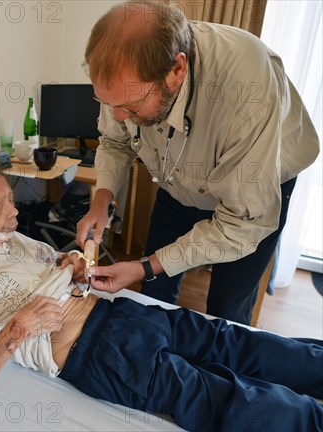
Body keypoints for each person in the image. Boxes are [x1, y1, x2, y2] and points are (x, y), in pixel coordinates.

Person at [0, 162, 322, 431]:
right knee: (218, 394)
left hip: (124, 314)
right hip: (98, 352)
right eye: (1, 204)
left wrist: (73, 263)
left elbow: (59, 263)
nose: (15, 211)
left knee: (230, 339)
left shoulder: (17, 242)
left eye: (11, 197)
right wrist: (16, 331)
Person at [76, 0, 320, 325]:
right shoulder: (126, 82)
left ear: (176, 71)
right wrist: (102, 201)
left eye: (131, 106)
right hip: (176, 181)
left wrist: (144, 265)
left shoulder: (247, 91)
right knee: (154, 290)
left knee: (226, 309)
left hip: (249, 196)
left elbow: (239, 225)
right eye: (108, 103)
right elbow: (115, 141)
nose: (119, 116)